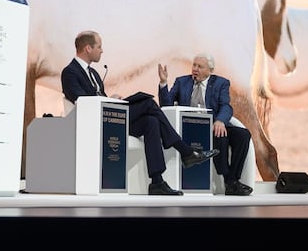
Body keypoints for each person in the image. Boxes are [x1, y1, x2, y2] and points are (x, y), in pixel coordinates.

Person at [61, 30, 218, 196]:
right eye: (99, 47)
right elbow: (82, 100)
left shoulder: (93, 73)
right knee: (149, 103)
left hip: (111, 118)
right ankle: (186, 151)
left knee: (151, 122)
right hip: (96, 121)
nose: (102, 50)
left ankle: (157, 182)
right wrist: (108, 102)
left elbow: (98, 98)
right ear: (87, 48)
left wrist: (112, 99)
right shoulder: (70, 72)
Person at [157, 53, 253, 196]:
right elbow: (166, 105)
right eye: (194, 65)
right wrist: (163, 83)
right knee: (221, 138)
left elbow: (226, 106)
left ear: (210, 70)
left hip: (213, 125)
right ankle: (230, 181)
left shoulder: (221, 83)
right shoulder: (182, 82)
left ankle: (233, 179)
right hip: (189, 127)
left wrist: (220, 121)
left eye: (200, 66)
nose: (195, 69)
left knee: (243, 134)